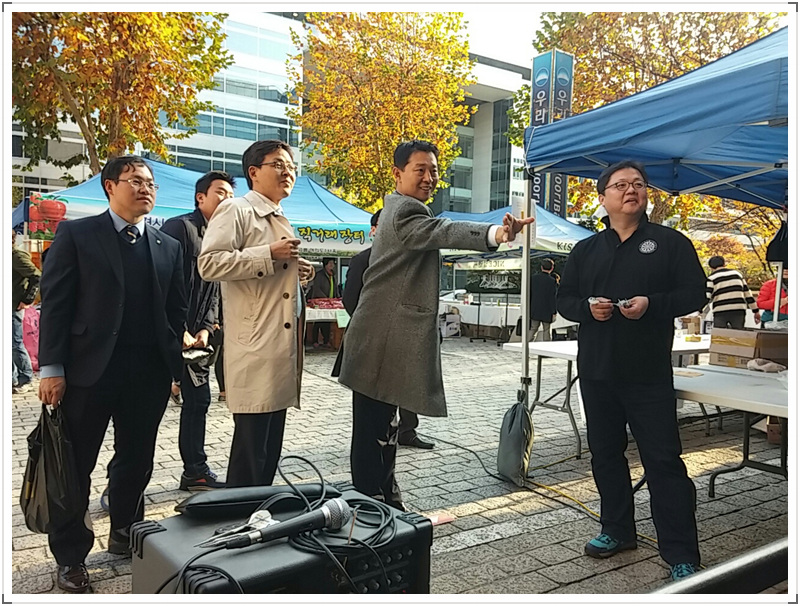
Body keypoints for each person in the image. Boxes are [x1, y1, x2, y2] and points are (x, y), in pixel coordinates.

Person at [338, 140, 532, 510]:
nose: (429, 177)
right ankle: (371, 506)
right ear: (397, 173)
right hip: (381, 340)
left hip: (379, 339)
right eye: (420, 170)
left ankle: (384, 502)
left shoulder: (399, 208)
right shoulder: (405, 210)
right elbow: (445, 230)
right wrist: (497, 233)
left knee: (382, 429)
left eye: (434, 170)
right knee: (373, 432)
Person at [38, 155, 186, 593]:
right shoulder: (78, 234)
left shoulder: (167, 245)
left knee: (136, 460)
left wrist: (175, 366)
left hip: (147, 374)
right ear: (109, 186)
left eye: (150, 183)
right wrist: (52, 368)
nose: (145, 188)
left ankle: (126, 530)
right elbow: (56, 304)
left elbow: (175, 310)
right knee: (75, 466)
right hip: (87, 372)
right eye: (135, 180)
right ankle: (70, 556)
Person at [557, 160, 706, 581]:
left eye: (638, 184)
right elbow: (564, 300)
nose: (631, 190)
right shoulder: (586, 249)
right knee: (605, 454)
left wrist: (651, 304)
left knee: (663, 461)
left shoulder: (670, 243)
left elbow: (695, 293)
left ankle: (681, 552)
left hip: (648, 372)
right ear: (603, 198)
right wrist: (587, 308)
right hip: (597, 370)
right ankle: (617, 530)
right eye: (620, 184)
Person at [198, 140, 314, 488]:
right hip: (255, 345)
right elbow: (209, 263)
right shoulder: (236, 209)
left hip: (278, 347)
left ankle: (258, 509)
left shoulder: (280, 215)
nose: (287, 172)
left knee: (267, 449)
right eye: (278, 165)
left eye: (291, 166)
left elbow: (269, 274)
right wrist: (269, 254)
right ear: (253, 172)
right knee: (251, 452)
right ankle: (239, 512)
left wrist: (297, 272)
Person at [161, 171, 236, 491]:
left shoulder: (224, 238)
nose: (227, 199)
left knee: (199, 401)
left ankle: (195, 471)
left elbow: (214, 289)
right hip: (164, 334)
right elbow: (161, 282)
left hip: (197, 340)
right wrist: (179, 330)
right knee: (142, 411)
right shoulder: (180, 228)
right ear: (200, 197)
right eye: (220, 192)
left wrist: (206, 327)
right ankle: (120, 483)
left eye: (231, 195)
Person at [339, 209, 434, 450]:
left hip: (405, 337)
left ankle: (408, 430)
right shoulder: (363, 260)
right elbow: (350, 300)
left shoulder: (410, 260)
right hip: (372, 339)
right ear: (373, 230)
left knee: (408, 386)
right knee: (372, 405)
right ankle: (373, 449)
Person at [12, 229, 40, 393]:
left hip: (14, 305)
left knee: (15, 344)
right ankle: (13, 378)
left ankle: (26, 378)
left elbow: (37, 276)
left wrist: (27, 299)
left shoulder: (16, 256)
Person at [704, 256, 760, 329]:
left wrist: (700, 310)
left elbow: (707, 296)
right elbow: (748, 294)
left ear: (711, 267)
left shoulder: (711, 278)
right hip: (738, 309)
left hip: (720, 310)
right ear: (724, 264)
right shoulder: (737, 274)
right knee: (737, 333)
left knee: (719, 334)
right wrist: (756, 311)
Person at [310, 257, 341, 347]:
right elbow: (317, 288)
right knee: (318, 321)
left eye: (333, 263)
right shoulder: (319, 275)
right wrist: (325, 298)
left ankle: (326, 340)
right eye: (330, 263)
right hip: (320, 301)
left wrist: (337, 297)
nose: (332, 265)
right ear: (325, 264)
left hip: (331, 302)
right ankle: (315, 340)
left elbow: (335, 287)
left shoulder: (333, 275)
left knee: (327, 322)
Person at [529, 257, 558, 341]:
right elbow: (552, 297)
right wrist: (554, 311)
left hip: (534, 308)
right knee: (546, 330)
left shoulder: (533, 278)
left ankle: (526, 344)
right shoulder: (552, 281)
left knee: (533, 328)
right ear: (552, 268)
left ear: (541, 267)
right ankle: (546, 347)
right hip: (547, 309)